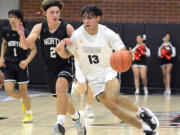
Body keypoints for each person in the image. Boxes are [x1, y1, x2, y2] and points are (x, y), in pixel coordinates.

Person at [56, 5, 159, 135]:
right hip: (93, 78)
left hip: (109, 70)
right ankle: (146, 129)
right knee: (115, 110)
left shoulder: (107, 33)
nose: (86, 21)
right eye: (84, 18)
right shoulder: (77, 35)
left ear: (98, 18)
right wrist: (61, 52)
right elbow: (67, 54)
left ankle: (141, 113)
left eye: (90, 18)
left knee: (113, 99)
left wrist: (127, 55)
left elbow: (121, 50)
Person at [16, 0, 86, 135]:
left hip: (66, 65)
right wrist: (21, 36)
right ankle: (77, 118)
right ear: (45, 14)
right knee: (61, 97)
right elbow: (25, 46)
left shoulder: (67, 28)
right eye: (52, 12)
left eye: (57, 12)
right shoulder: (39, 27)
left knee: (61, 88)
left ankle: (59, 124)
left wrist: (68, 46)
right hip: (50, 69)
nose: (55, 15)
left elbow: (79, 49)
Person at [0, 9, 37, 122]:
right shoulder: (6, 31)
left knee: (23, 90)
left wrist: (26, 61)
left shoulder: (25, 32)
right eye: (10, 17)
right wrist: (1, 57)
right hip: (9, 64)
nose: (12, 19)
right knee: (9, 90)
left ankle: (29, 114)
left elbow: (34, 50)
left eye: (14, 17)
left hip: (21, 65)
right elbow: (4, 43)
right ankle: (22, 99)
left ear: (19, 19)